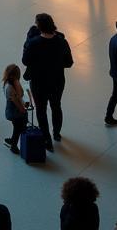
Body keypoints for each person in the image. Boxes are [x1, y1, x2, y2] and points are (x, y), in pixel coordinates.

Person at [22, 12, 73, 150]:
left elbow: (25, 61)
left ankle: (46, 139)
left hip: (39, 83)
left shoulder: (33, 43)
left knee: (41, 110)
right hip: (57, 81)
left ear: (39, 27)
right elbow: (69, 63)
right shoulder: (62, 41)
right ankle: (56, 133)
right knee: (56, 106)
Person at [1, 63, 28, 155]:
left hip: (13, 110)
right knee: (18, 128)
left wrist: (17, 82)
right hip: (14, 111)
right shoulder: (9, 88)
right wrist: (23, 110)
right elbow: (16, 101)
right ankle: (13, 146)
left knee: (16, 127)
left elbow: (20, 94)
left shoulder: (11, 83)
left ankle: (12, 140)